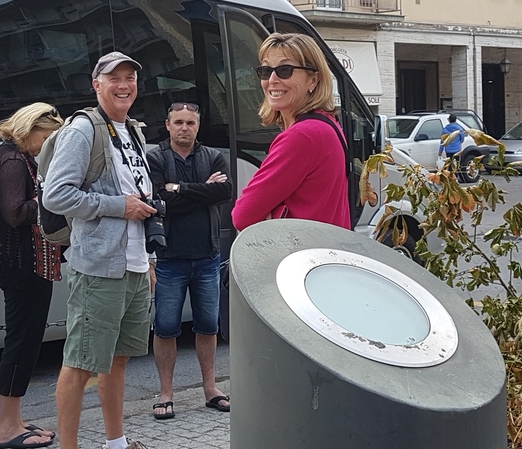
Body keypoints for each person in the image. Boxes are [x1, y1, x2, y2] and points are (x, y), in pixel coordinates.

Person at [43, 51, 156, 449]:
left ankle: (116, 443)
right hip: (98, 267)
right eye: (114, 78)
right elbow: (56, 195)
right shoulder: (82, 129)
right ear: (96, 84)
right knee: (80, 363)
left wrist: (149, 259)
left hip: (134, 264)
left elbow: (139, 196)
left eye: (130, 77)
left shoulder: (133, 131)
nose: (124, 85)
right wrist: (117, 206)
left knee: (118, 359)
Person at [0, 103, 65, 449]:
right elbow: (15, 212)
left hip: (22, 263)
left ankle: (14, 420)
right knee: (22, 341)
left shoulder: (15, 156)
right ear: (29, 130)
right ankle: (7, 429)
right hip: (22, 264)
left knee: (24, 340)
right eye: (47, 137)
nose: (49, 145)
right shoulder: (14, 160)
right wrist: (49, 198)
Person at [145, 102, 233, 420]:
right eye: (178, 122)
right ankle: (166, 393)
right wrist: (201, 191)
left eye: (190, 122)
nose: (185, 127)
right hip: (169, 258)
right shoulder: (154, 158)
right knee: (166, 327)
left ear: (198, 126)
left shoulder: (212, 156)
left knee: (208, 325)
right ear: (167, 125)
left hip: (208, 257)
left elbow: (224, 192)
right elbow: (159, 201)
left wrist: (180, 188)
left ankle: (211, 389)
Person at [231, 33, 349, 231]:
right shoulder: (327, 125)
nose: (273, 79)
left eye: (285, 70)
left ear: (313, 79)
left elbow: (241, 216)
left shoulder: (302, 136)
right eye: (266, 70)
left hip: (299, 254)